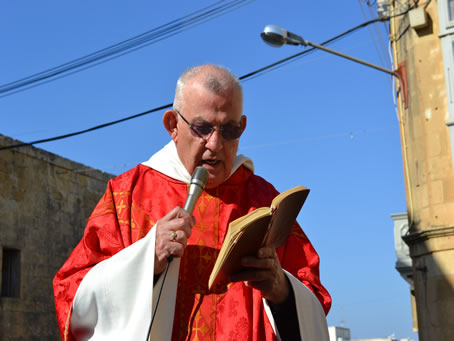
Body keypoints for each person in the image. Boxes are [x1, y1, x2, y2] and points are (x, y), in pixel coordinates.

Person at [53, 64, 331, 341]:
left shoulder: (264, 200)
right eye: (202, 128)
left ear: (243, 127)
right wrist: (146, 259)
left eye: (229, 130)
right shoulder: (127, 195)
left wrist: (281, 290)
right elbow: (72, 296)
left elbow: (314, 303)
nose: (215, 144)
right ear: (173, 125)